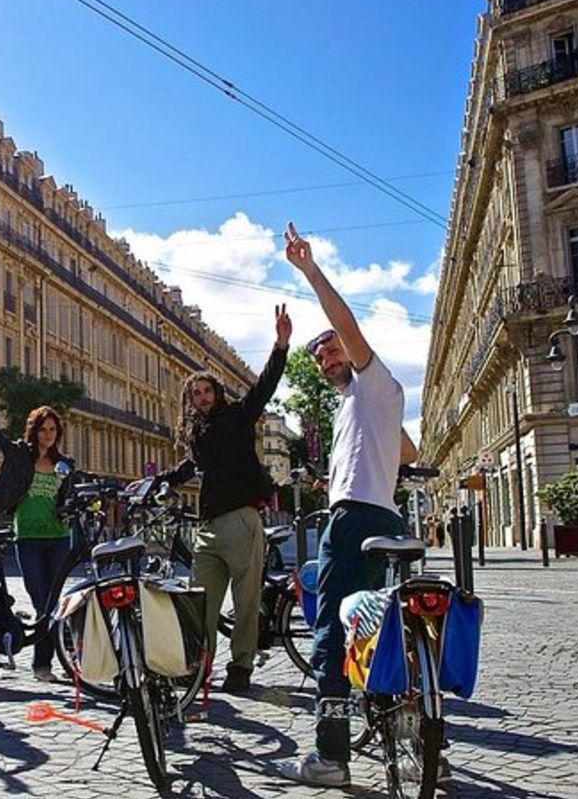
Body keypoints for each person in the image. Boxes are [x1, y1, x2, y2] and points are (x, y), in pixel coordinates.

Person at [279, 223, 419, 787]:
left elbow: (348, 325)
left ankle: (330, 757)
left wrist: (310, 270)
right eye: (318, 355)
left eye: (330, 347)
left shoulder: (372, 380)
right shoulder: (365, 404)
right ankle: (415, 736)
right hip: (383, 516)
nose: (325, 356)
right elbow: (408, 450)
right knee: (389, 630)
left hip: (354, 520)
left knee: (332, 636)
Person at [153, 304, 292, 695]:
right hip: (208, 525)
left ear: (216, 392)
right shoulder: (197, 434)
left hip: (243, 520)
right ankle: (199, 667)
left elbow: (264, 386)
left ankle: (241, 667)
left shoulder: (238, 416)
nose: (201, 397)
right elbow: (188, 466)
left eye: (206, 390)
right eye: (194, 393)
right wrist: (157, 481)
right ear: (190, 400)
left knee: (245, 602)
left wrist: (280, 346)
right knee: (201, 603)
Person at [0, 368, 73, 682]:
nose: (48, 435)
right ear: (33, 431)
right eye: (43, 429)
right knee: (42, 602)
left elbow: (69, 498)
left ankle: (47, 664)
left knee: (55, 604)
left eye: (52, 430)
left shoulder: (65, 465)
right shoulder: (20, 455)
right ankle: (43, 665)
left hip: (60, 539)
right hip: (29, 540)